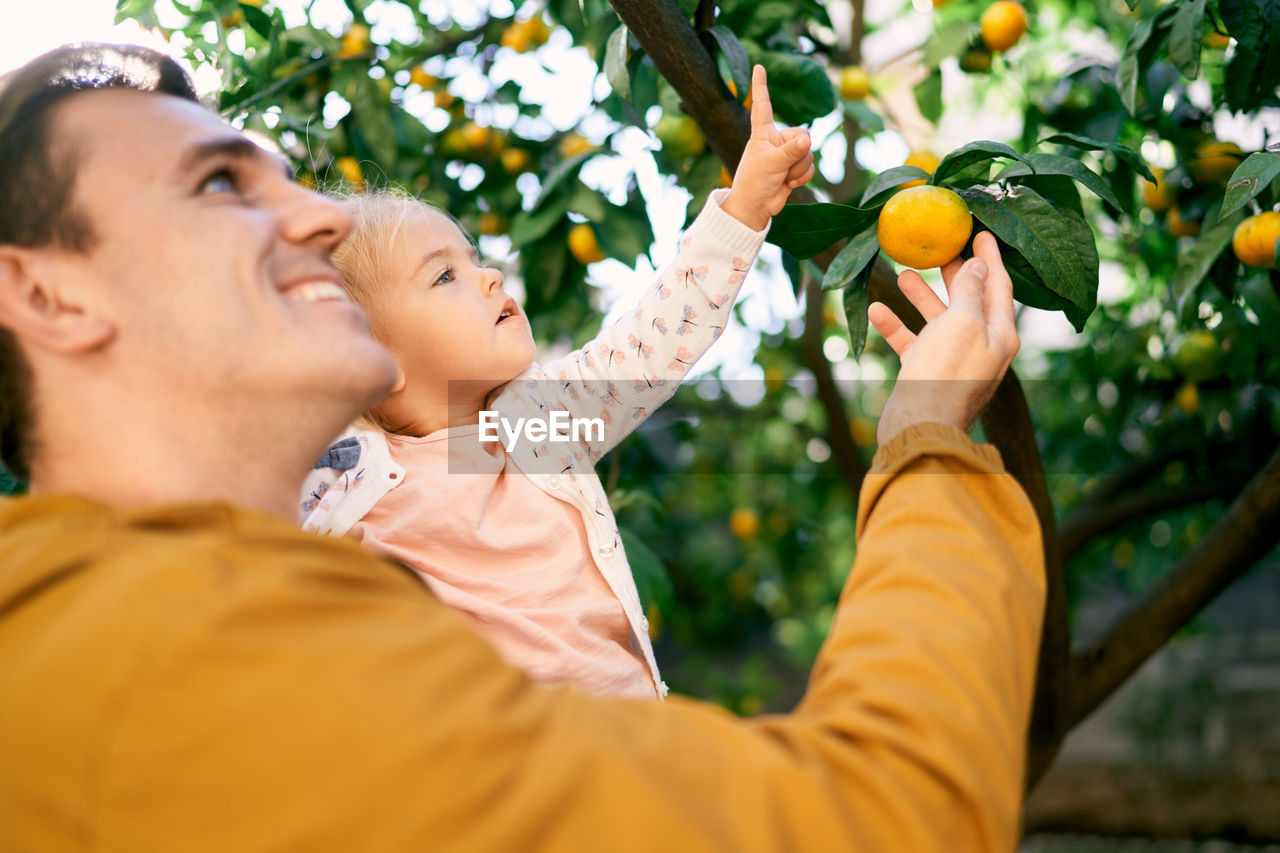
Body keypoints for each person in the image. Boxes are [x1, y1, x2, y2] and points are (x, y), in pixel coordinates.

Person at [0, 44, 1044, 851]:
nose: (319, 216)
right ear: (44, 291)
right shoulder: (346, 493)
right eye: (219, 184)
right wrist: (924, 433)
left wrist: (743, 209)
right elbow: (881, 820)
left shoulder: (493, 439)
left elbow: (645, 348)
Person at [298, 66, 813, 700]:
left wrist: (746, 205)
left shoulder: (534, 422)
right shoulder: (340, 474)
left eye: (475, 259)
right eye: (444, 278)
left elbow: (651, 341)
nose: (489, 277)